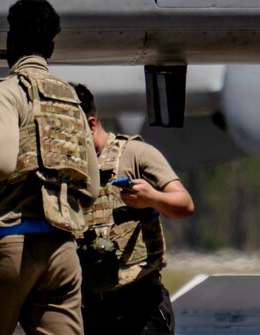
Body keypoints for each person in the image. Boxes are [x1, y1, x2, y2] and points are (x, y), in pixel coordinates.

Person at [0, 0, 96, 335]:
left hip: (8, 243)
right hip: (62, 250)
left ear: (10, 44)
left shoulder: (2, 95)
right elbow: (91, 187)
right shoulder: (71, 100)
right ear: (52, 48)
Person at [74, 83, 194, 335]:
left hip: (140, 304)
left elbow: (184, 205)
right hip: (90, 306)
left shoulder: (135, 154)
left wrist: (152, 198)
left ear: (91, 124)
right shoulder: (68, 169)